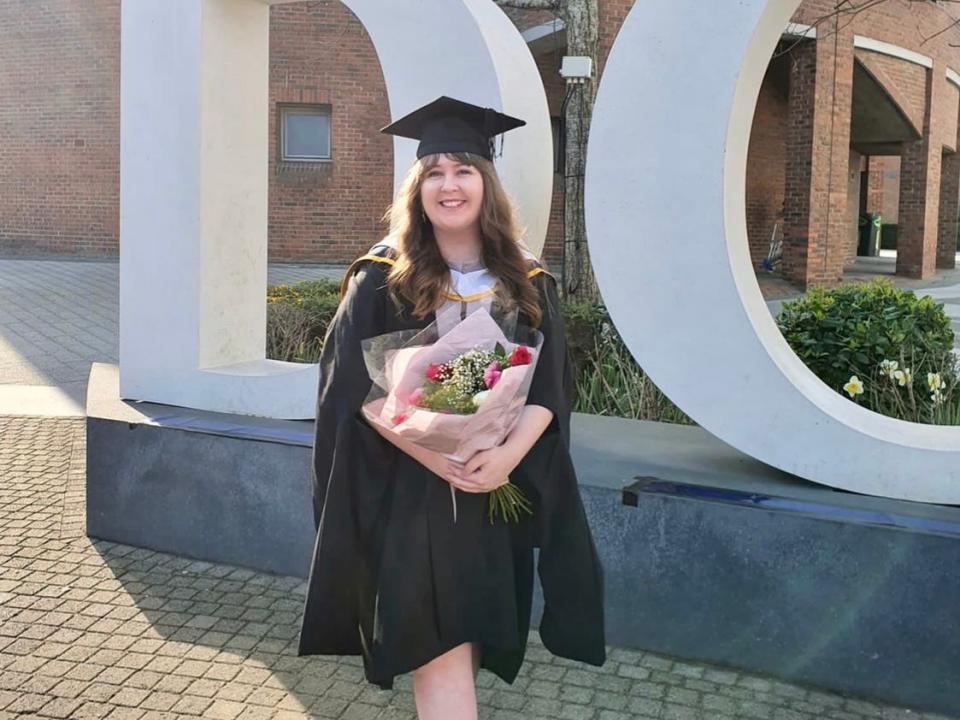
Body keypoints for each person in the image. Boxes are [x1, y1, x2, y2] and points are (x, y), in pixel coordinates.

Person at [297, 96, 605, 719]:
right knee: (436, 647)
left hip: (493, 497)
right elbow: (354, 389)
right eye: (433, 171)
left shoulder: (528, 279)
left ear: (486, 184)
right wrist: (440, 459)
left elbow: (548, 388)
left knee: (462, 644)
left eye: (463, 169)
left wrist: (505, 457)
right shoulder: (382, 278)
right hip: (410, 498)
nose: (449, 184)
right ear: (418, 188)